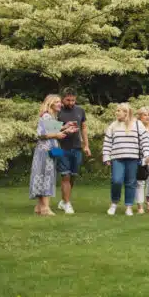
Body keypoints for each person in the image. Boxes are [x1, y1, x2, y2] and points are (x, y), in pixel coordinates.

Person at [102, 102, 149, 216]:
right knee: (116, 180)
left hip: (133, 158)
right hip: (117, 158)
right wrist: (106, 156)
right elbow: (107, 142)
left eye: (119, 110)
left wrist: (147, 155)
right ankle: (114, 203)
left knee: (131, 182)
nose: (117, 112)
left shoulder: (138, 124)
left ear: (126, 112)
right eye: (117, 110)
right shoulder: (113, 125)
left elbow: (144, 141)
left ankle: (128, 206)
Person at [30, 95, 70, 216]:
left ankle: (39, 207)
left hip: (49, 150)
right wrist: (57, 135)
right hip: (45, 151)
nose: (60, 104)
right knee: (46, 177)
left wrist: (65, 128)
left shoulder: (51, 116)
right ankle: (46, 208)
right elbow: (41, 134)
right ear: (51, 103)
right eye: (57, 102)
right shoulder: (47, 115)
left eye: (60, 102)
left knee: (42, 176)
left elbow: (51, 130)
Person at [56, 87, 90, 215]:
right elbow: (49, 128)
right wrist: (64, 127)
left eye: (73, 100)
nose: (71, 103)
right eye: (68, 100)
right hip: (60, 148)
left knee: (73, 176)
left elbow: (84, 128)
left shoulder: (80, 110)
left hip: (77, 147)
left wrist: (86, 145)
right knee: (65, 175)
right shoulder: (57, 110)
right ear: (62, 99)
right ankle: (67, 204)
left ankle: (64, 200)